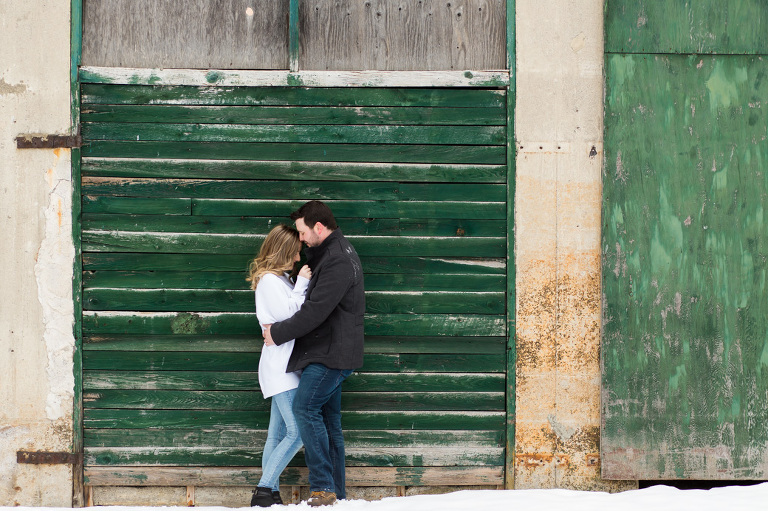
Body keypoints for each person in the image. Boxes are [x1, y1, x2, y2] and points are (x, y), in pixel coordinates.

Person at [263, 200, 365, 507]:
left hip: (330, 354)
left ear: (318, 228)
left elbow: (315, 312)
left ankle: (322, 487)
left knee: (305, 409)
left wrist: (275, 334)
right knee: (329, 421)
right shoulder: (332, 253)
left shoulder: (336, 260)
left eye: (303, 231)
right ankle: (337, 493)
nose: (301, 238)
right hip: (329, 351)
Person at [246, 224, 313, 507]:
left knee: (276, 433)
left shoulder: (279, 279)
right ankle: (263, 489)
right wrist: (301, 283)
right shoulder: (270, 281)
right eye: (296, 253)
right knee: (297, 432)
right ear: (284, 251)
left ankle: (270, 493)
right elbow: (289, 315)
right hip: (280, 367)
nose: (299, 259)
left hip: (285, 364)